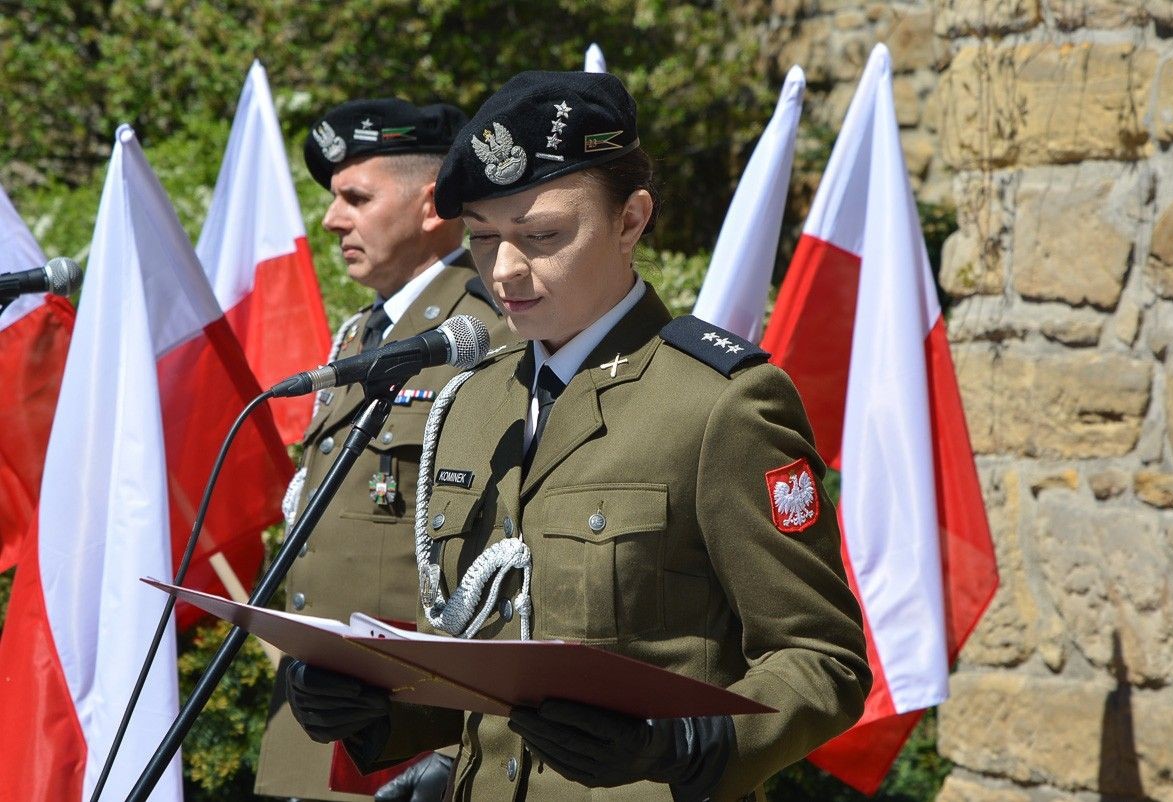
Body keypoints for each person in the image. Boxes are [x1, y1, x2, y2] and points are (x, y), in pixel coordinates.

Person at [283, 71, 871, 801]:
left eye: (543, 236)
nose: (505, 270)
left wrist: (687, 742)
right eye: (484, 237)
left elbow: (823, 657)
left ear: (631, 220)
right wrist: (379, 708)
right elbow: (489, 670)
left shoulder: (720, 402)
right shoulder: (473, 400)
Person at [255, 97, 516, 802]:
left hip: (410, 742)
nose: (333, 219)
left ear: (433, 206)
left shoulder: (488, 334)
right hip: (313, 731)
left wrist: (458, 740)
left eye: (356, 198)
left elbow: (507, 567)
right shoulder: (360, 338)